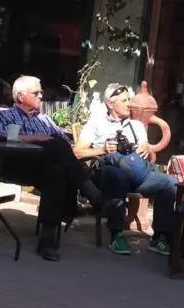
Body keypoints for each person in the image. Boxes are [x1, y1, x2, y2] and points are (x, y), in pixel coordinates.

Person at [0, 75, 116, 261]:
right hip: (16, 164)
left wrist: (49, 141)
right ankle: (91, 196)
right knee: (56, 145)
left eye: (41, 92)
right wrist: (37, 138)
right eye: (37, 93)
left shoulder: (45, 120)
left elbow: (66, 144)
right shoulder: (3, 115)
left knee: (57, 172)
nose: (41, 97)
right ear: (20, 96)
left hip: (42, 170)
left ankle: (47, 240)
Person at [74, 82, 176, 257]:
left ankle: (160, 236)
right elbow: (77, 152)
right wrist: (103, 149)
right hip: (107, 175)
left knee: (168, 183)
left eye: (129, 99)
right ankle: (116, 233)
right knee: (117, 174)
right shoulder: (96, 123)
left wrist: (147, 150)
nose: (129, 103)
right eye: (124, 100)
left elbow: (150, 159)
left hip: (136, 174)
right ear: (110, 103)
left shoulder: (136, 126)